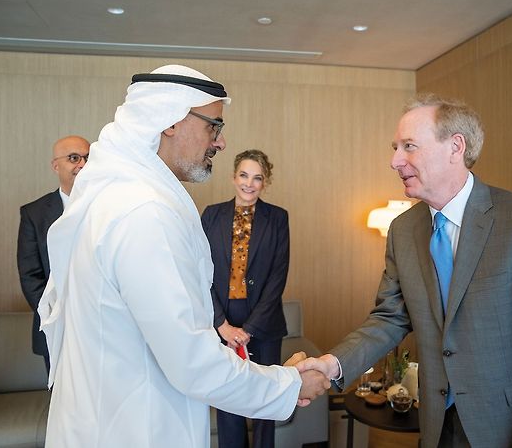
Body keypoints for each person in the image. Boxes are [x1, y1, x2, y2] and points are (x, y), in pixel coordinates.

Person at [37, 64, 329, 448]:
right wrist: (289, 384)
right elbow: (192, 361)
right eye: (214, 126)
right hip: (134, 429)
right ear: (170, 121)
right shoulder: (143, 213)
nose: (220, 143)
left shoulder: (118, 197)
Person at [298, 93, 512, 447]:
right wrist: (331, 364)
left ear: (455, 147)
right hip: (437, 426)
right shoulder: (403, 230)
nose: (394, 160)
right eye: (395, 147)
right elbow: (390, 317)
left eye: (409, 146)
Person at [202, 149, 289, 448]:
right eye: (244, 175)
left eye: (257, 178)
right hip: (222, 320)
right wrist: (222, 326)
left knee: (265, 402)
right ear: (233, 176)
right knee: (229, 401)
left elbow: (277, 279)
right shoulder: (211, 215)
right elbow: (200, 274)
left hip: (263, 326)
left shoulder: (278, 218)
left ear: (265, 182)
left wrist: (248, 330)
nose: (249, 184)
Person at [17, 135, 90, 373]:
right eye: (74, 158)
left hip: (101, 323)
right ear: (55, 165)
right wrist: (57, 316)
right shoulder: (34, 213)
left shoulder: (107, 206)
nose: (82, 164)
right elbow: (30, 275)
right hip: (55, 325)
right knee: (63, 404)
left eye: (88, 158)